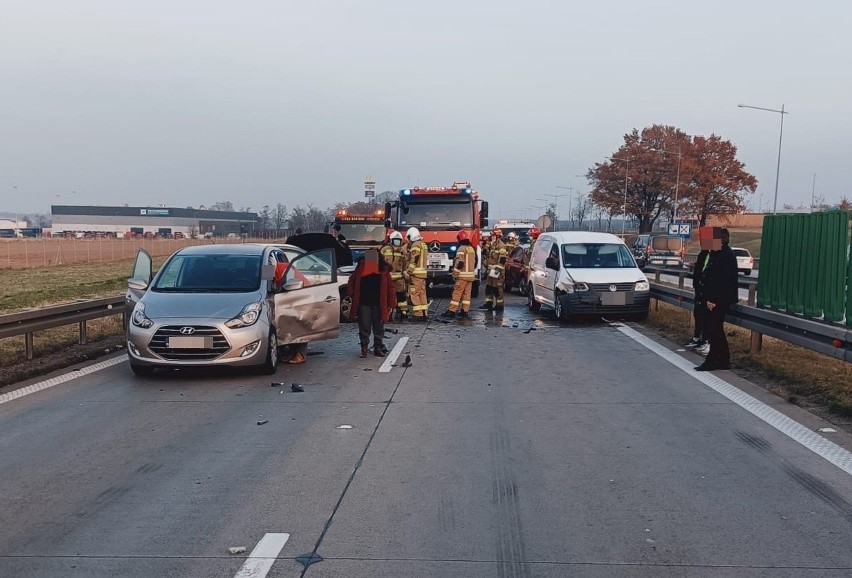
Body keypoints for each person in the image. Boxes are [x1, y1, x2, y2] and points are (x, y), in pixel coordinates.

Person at [695, 227, 738, 371]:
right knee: (716, 330)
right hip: (715, 299)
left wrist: (712, 299)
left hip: (718, 301)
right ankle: (723, 360)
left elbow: (721, 281)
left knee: (714, 330)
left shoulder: (726, 256)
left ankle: (712, 361)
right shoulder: (718, 254)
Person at [347, 249, 396, 358]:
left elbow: (390, 287)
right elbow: (352, 280)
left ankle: (377, 347)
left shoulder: (383, 270)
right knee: (364, 325)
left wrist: (391, 303)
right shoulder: (361, 268)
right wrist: (352, 293)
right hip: (364, 302)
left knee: (379, 326)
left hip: (379, 303)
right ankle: (364, 347)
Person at [685, 227, 712, 354]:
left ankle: (705, 340)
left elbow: (707, 271)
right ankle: (698, 338)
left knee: (705, 316)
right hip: (699, 289)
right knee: (698, 314)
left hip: (705, 290)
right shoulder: (703, 253)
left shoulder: (711, 254)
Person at [440, 230, 477, 318]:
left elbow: (460, 262)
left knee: (457, 293)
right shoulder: (471, 248)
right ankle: (464, 311)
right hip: (470, 276)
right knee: (466, 294)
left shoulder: (461, 248)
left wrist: (455, 273)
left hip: (462, 276)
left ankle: (452, 311)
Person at [381, 230, 409, 320]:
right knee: (397, 297)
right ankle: (400, 313)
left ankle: (401, 313)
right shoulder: (386, 249)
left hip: (392, 279)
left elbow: (406, 264)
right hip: (394, 279)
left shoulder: (386, 249)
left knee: (399, 297)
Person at [404, 227, 429, 321]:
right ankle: (424, 313)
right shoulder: (423, 244)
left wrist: (408, 271)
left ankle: (418, 315)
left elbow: (414, 259)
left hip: (416, 274)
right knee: (422, 293)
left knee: (414, 293)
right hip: (423, 274)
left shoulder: (415, 245)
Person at [480, 228, 507, 311]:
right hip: (491, 271)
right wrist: (485, 243)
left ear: (497, 236)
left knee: (497, 288)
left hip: (497, 271)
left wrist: (497, 270)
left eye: (493, 235)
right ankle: (489, 303)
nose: (492, 237)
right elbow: (485, 252)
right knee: (489, 287)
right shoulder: (493, 244)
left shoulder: (501, 245)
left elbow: (502, 259)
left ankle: (499, 305)